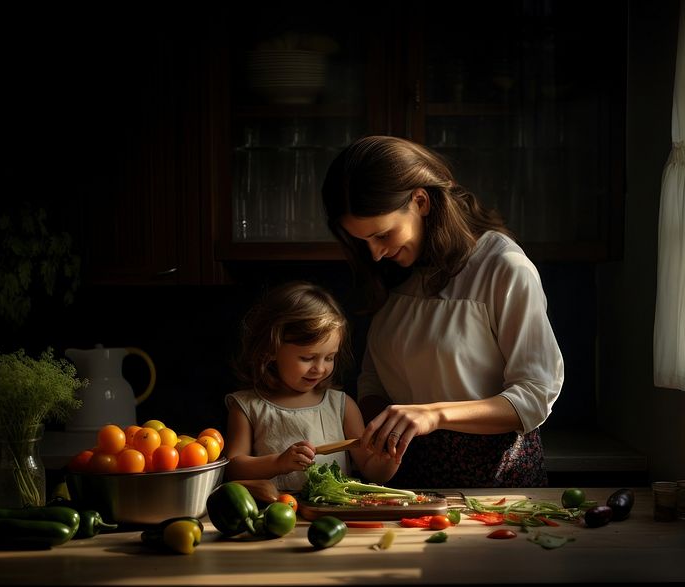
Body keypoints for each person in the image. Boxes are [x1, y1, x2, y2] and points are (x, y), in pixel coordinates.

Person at [321, 135, 564, 488]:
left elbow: (534, 396)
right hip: (406, 480)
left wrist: (434, 415)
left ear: (420, 201)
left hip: (494, 481)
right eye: (362, 242)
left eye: (382, 235)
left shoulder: (502, 267)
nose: (374, 254)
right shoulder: (393, 272)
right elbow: (374, 380)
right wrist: (378, 432)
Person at [223, 281, 400, 496]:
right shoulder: (247, 406)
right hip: (277, 513)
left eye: (329, 358)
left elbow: (371, 469)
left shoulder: (341, 406)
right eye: (307, 358)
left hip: (333, 514)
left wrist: (388, 460)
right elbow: (233, 467)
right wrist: (279, 462)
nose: (319, 368)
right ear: (270, 349)